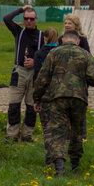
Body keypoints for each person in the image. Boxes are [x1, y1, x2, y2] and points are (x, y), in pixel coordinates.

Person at [33, 30, 94, 176]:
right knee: (76, 132)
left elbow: (42, 78)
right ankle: (75, 166)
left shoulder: (53, 53)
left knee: (58, 132)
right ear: (77, 41)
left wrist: (37, 99)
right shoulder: (85, 54)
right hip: (79, 98)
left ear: (62, 40)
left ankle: (59, 168)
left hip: (58, 98)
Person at [3, 5, 42, 142]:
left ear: (36, 19)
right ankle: (11, 135)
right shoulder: (18, 32)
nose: (29, 21)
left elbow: (47, 56)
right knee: (14, 105)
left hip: (34, 74)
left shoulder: (42, 36)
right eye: (26, 19)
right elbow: (6, 19)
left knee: (31, 107)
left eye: (31, 19)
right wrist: (21, 9)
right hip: (19, 71)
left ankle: (27, 135)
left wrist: (35, 63)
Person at [33, 28, 61, 165]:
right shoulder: (62, 53)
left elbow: (38, 77)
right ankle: (60, 157)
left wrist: (36, 99)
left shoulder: (39, 54)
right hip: (61, 93)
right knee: (59, 127)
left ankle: (50, 158)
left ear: (44, 38)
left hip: (45, 94)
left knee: (47, 127)